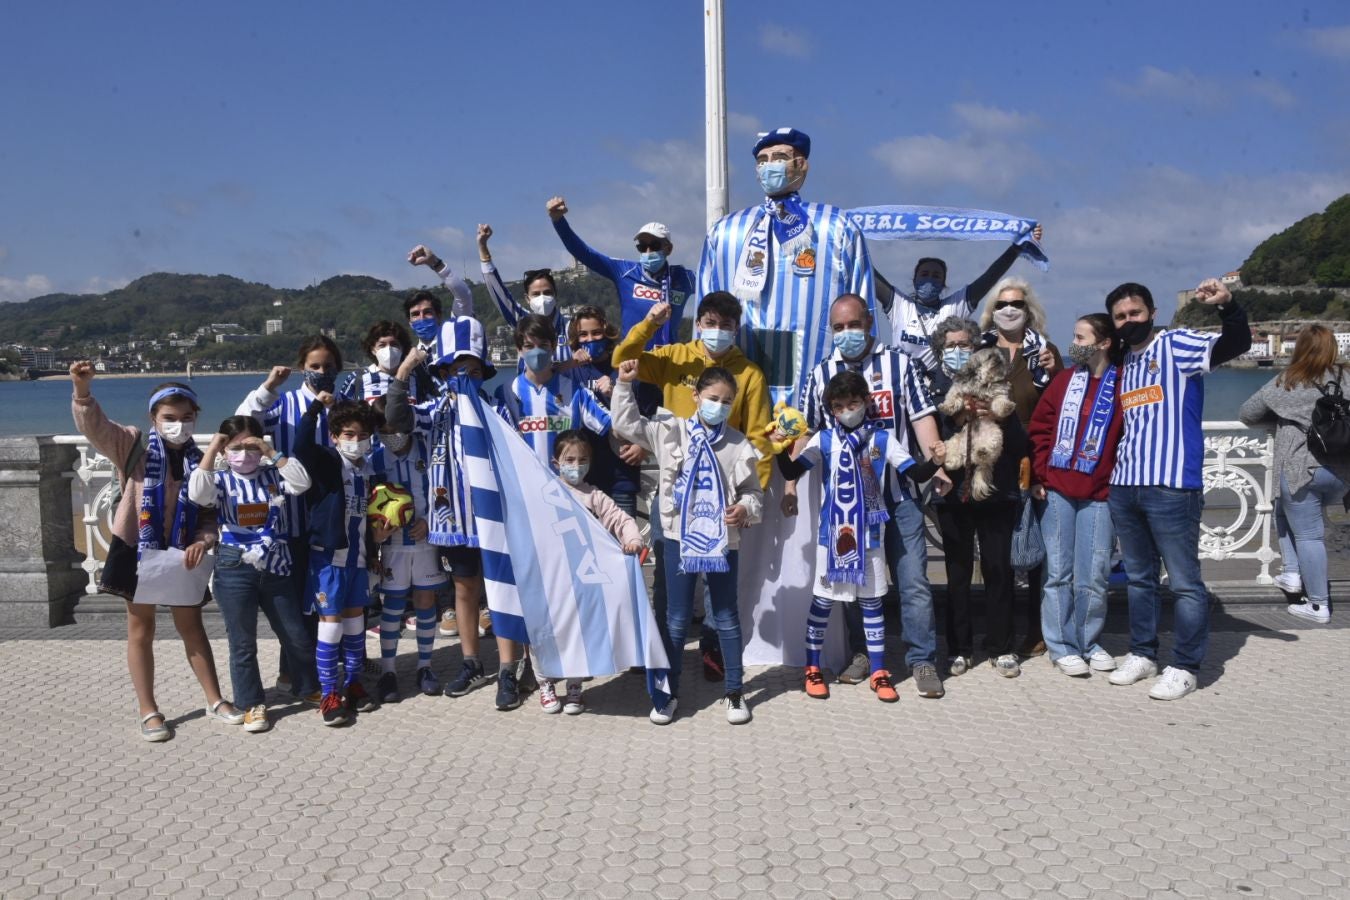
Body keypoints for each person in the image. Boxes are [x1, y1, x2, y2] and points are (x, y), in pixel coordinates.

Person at [70, 364, 240, 741]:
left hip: (182, 554)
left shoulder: (202, 462)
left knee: (191, 627)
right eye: (169, 418)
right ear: (154, 418)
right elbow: (95, 428)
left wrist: (203, 540)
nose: (177, 424)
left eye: (185, 418)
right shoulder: (133, 446)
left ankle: (215, 699)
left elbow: (211, 515)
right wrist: (82, 393)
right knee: (140, 629)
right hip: (137, 548)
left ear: (196, 418)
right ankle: (148, 710)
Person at [613, 291, 773, 678]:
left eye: (727, 325)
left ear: (736, 329)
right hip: (673, 490)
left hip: (722, 493)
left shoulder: (749, 374)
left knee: (716, 584)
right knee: (670, 579)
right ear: (699, 323)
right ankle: (663, 652)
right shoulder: (674, 356)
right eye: (711, 323)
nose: (718, 331)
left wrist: (752, 502)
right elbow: (621, 360)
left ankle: (712, 650)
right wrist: (650, 324)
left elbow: (759, 441)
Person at [1106, 277, 1250, 700]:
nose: (1127, 321)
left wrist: (1228, 307)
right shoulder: (1123, 361)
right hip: (1125, 482)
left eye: (1134, 313)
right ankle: (1143, 652)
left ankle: (1186, 665)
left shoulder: (1176, 344)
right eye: (1120, 317)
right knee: (1138, 579)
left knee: (1185, 582)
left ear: (1152, 313)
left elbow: (1233, 345)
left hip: (1172, 485)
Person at [798, 294, 948, 698]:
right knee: (853, 584)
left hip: (898, 498)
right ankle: (865, 656)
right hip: (849, 507)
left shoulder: (901, 364)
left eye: (853, 325)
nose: (846, 334)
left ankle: (922, 660)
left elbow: (920, 418)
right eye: (838, 328)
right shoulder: (820, 373)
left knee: (913, 579)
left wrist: (940, 464)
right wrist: (788, 477)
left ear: (869, 322)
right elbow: (806, 429)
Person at [385, 321, 530, 712]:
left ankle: (507, 668)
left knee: (502, 591)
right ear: (443, 373)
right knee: (465, 589)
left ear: (482, 370)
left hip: (497, 517)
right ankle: (471, 662)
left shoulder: (497, 407)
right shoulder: (435, 411)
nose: (462, 375)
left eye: (470, 368)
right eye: (453, 369)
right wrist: (403, 372)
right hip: (455, 520)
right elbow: (396, 419)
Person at [612, 361, 764, 725]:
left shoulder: (738, 443)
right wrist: (623, 385)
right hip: (679, 538)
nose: (720, 406)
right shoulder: (670, 430)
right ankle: (667, 694)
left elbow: (754, 494)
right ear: (696, 396)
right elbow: (626, 425)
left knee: (726, 616)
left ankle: (734, 692)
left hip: (723, 542)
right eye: (713, 398)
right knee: (676, 619)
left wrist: (744, 508)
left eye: (727, 401)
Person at [776, 370, 940, 703]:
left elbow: (914, 472)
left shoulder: (881, 439)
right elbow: (793, 470)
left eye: (853, 403)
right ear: (831, 410)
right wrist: (779, 448)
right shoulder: (823, 439)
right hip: (832, 536)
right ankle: (812, 667)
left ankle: (879, 670)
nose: (847, 410)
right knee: (823, 600)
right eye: (839, 406)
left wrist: (936, 460)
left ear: (866, 401)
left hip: (870, 537)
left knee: (872, 602)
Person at [698, 126, 873, 405]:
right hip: (738, 396)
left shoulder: (836, 227)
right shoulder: (725, 231)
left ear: (801, 165)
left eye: (778, 157)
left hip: (819, 392)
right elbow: (705, 308)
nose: (769, 167)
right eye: (762, 161)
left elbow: (863, 306)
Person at [189, 416, 317, 732]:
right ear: (224, 450)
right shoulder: (220, 480)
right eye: (236, 447)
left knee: (295, 634)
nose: (244, 454)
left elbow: (302, 482)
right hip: (234, 565)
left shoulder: (274, 475)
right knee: (243, 642)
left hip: (277, 562)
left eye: (250, 447)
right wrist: (214, 448)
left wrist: (268, 450)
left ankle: (305, 685)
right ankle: (251, 703)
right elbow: (197, 494)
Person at [236, 335, 344, 700]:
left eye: (328, 366)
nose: (322, 372)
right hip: (288, 521)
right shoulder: (286, 403)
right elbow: (243, 423)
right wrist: (268, 387)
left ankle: (328, 667)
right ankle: (294, 672)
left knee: (326, 599)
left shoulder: (342, 405)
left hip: (330, 519)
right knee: (296, 603)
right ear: (302, 368)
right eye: (314, 366)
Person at [1027, 314, 1123, 677]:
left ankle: (1088, 640)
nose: (1074, 343)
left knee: (1095, 573)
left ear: (1103, 343)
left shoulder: (1122, 384)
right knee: (1058, 572)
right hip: (1057, 492)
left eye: (1080, 337)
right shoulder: (1065, 380)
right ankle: (1061, 645)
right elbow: (1041, 428)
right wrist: (1039, 474)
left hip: (1100, 493)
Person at [1239, 324, 1350, 624]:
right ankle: (1290, 572)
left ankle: (1318, 605)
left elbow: (1247, 413)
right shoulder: (1345, 377)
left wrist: (1283, 416)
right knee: (1283, 507)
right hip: (1340, 473)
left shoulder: (1288, 380)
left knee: (1310, 536)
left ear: (1299, 347)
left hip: (1302, 471)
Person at [930, 347, 1029, 679]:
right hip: (952, 494)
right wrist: (957, 416)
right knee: (956, 574)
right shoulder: (936, 384)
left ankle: (1001, 646)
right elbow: (931, 437)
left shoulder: (1004, 388)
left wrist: (1000, 416)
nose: (957, 350)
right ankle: (959, 647)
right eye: (950, 343)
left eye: (964, 344)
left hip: (997, 493)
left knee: (998, 569)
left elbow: (1019, 443)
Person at [977, 277, 1061, 658]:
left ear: (1030, 311)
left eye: (1017, 304)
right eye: (1002, 304)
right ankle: (1000, 635)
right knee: (997, 555)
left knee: (1038, 551)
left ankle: (1038, 631)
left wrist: (1055, 370)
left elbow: (1061, 404)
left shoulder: (1046, 352)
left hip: (1035, 457)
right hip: (992, 457)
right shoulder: (981, 349)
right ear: (991, 311)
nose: (1009, 310)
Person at [295, 396, 391, 725]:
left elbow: (368, 519)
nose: (355, 441)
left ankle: (353, 684)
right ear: (335, 436)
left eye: (361, 435)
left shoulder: (368, 471)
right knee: (331, 626)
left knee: (355, 626)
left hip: (358, 561)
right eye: (348, 434)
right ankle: (328, 693)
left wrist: (376, 549)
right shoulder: (327, 462)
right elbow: (300, 445)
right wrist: (314, 410)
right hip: (328, 561)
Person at [539, 430, 645, 715]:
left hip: (583, 582)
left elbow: (620, 519)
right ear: (555, 462)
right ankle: (546, 683)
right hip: (552, 581)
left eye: (583, 459)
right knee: (549, 633)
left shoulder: (594, 495)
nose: (576, 464)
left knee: (579, 634)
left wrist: (633, 538)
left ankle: (575, 686)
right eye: (569, 459)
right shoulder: (544, 493)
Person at [366, 395, 449, 702]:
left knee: (426, 601)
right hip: (393, 546)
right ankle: (389, 671)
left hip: (427, 541)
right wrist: (375, 533)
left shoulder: (429, 452)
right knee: (393, 605)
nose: (392, 434)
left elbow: (445, 490)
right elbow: (368, 503)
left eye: (396, 427)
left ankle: (425, 666)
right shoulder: (375, 458)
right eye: (384, 429)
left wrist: (430, 521)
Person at [876, 226, 1043, 375]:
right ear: (914, 279)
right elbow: (868, 272)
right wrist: (851, 235)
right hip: (905, 387)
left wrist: (1016, 248)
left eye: (936, 276)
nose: (929, 280)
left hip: (942, 391)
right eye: (924, 275)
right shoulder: (899, 305)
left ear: (943, 284)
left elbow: (990, 276)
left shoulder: (955, 305)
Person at [547, 196, 696, 348]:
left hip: (669, 363)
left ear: (669, 249)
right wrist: (558, 221)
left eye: (655, 245)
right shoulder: (625, 271)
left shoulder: (684, 278)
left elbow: (714, 282)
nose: (648, 251)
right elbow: (584, 253)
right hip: (633, 362)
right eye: (642, 246)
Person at [495, 314, 613, 469]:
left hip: (567, 488)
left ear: (553, 346)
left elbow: (612, 424)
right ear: (519, 350)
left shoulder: (576, 391)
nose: (537, 352)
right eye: (529, 346)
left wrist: (620, 392)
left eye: (543, 345)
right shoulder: (505, 393)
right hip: (524, 489)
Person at [566, 304, 650, 516]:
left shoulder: (625, 366)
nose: (590, 339)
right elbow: (546, 376)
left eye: (596, 333)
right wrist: (570, 363)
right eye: (583, 335)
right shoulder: (574, 372)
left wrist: (644, 447)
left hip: (621, 477)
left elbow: (651, 415)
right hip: (584, 479)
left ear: (606, 331)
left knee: (624, 542)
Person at [477, 223, 572, 367]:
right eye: (536, 294)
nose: (542, 298)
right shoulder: (522, 321)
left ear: (555, 294)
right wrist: (482, 246)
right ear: (527, 299)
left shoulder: (571, 327)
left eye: (547, 292)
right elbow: (499, 293)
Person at [339, 321, 414, 403]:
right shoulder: (357, 378)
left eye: (394, 344)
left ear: (402, 348)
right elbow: (341, 410)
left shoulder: (415, 379)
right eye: (382, 345)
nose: (389, 349)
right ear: (373, 350)